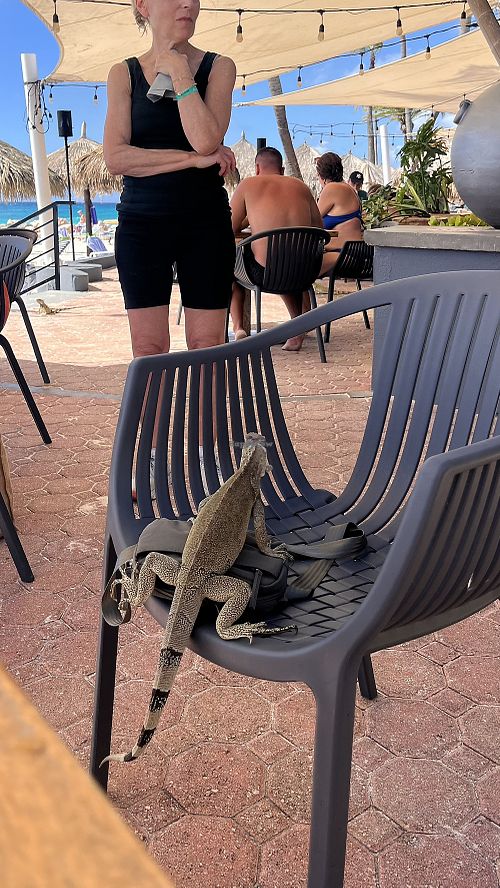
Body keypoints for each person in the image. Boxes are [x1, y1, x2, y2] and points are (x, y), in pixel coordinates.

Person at [103, 0, 237, 360]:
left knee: (207, 347)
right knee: (149, 351)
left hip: (205, 223)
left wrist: (179, 71)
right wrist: (192, 161)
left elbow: (206, 138)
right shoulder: (123, 74)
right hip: (141, 225)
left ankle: (208, 421)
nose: (188, 3)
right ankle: (154, 421)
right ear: (143, 5)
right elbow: (116, 157)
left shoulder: (219, 67)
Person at [229, 146, 323, 352]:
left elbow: (229, 227)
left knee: (229, 268)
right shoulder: (301, 186)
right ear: (281, 169)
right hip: (306, 271)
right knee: (284, 260)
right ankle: (297, 327)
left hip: (265, 273)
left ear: (256, 167)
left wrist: (250, 219)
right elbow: (319, 228)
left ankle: (238, 328)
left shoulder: (249, 184)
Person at [316, 152, 363, 275]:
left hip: (343, 254)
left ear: (321, 175)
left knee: (295, 270)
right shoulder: (350, 190)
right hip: (357, 253)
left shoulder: (331, 189)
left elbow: (311, 220)